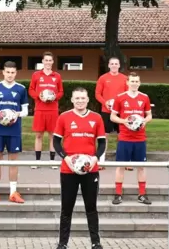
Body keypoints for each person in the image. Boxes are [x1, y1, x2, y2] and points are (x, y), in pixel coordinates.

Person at [53, 87, 106, 249]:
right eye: (77, 98)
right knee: (66, 208)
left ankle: (95, 242)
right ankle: (63, 243)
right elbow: (56, 142)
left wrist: (95, 158)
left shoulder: (96, 118)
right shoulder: (64, 117)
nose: (80, 101)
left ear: (88, 99)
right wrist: (66, 158)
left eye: (83, 98)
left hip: (91, 170)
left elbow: (102, 143)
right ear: (72, 100)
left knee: (91, 207)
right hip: (68, 170)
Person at [0, 61, 29, 203]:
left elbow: (26, 111)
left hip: (14, 130)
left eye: (13, 72)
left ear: (16, 73)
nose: (10, 75)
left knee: (13, 161)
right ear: (3, 72)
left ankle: (13, 192)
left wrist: (17, 114)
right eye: (7, 72)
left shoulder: (21, 89)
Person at [110, 72, 153, 205]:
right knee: (120, 166)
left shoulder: (144, 97)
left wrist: (144, 121)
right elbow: (113, 117)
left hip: (140, 138)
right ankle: (118, 194)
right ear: (127, 83)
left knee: (141, 166)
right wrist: (124, 121)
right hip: (124, 138)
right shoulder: (120, 98)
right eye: (132, 81)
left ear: (139, 83)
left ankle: (142, 194)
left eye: (136, 81)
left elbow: (149, 115)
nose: (134, 84)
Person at [29, 52, 63, 169]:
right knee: (38, 135)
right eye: (46, 60)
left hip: (53, 110)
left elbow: (61, 92)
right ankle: (37, 161)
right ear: (42, 61)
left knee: (53, 135)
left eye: (50, 60)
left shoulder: (57, 76)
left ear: (52, 62)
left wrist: (54, 97)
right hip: (40, 109)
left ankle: (52, 161)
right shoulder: (36, 75)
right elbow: (31, 90)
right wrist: (40, 96)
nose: (48, 62)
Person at [95, 57, 128, 171]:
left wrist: (121, 106)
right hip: (106, 111)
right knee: (104, 136)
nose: (114, 65)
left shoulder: (124, 78)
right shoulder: (103, 78)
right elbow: (97, 94)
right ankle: (101, 161)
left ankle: (124, 161)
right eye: (112, 64)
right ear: (108, 65)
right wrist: (106, 103)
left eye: (116, 64)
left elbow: (127, 94)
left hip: (121, 112)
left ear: (119, 65)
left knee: (122, 136)